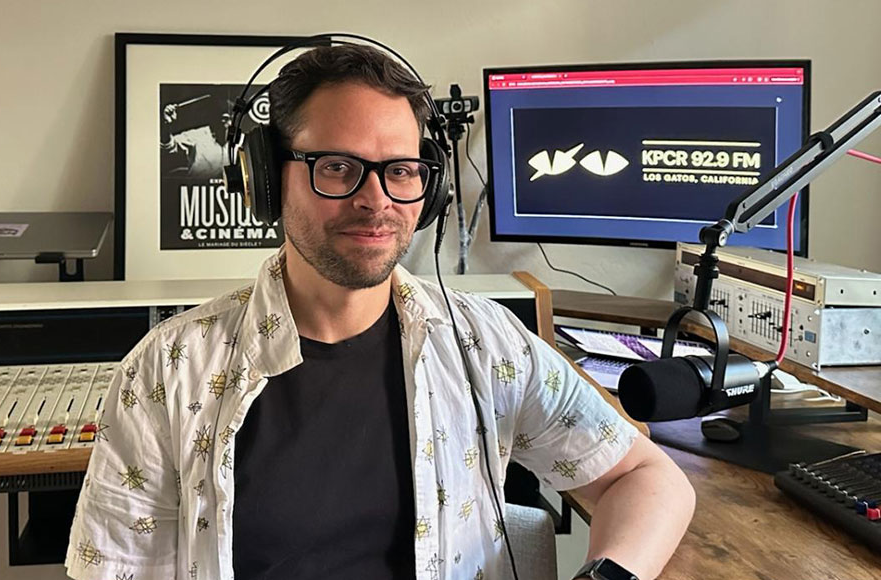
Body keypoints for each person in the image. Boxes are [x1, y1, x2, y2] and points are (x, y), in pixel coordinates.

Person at [66, 43, 695, 580]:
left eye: (400, 170)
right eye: (337, 167)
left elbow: (644, 477)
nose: (377, 200)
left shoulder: (486, 346)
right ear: (265, 180)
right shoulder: (166, 374)